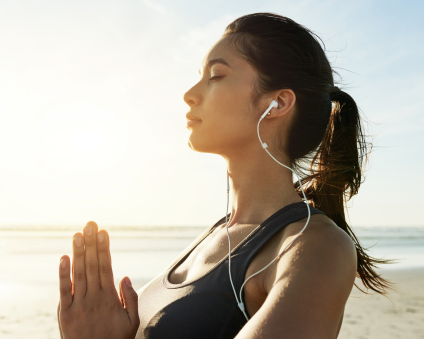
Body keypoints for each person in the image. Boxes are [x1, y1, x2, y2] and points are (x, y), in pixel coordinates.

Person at [57, 13, 393, 339]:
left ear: (276, 104)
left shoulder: (315, 246)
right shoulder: (220, 233)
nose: (190, 93)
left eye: (215, 76)